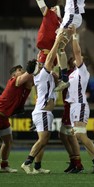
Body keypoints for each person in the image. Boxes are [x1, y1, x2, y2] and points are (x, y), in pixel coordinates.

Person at [21, 33, 66, 174]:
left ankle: (38, 166)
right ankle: (27, 162)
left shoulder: (42, 75)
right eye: (38, 63)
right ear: (36, 68)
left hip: (43, 111)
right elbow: (51, 55)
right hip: (43, 112)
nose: (41, 63)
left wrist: (56, 77)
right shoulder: (42, 74)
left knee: (44, 140)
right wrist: (57, 40)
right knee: (43, 140)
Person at [65, 26, 94, 173]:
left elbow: (76, 51)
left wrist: (74, 36)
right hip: (74, 105)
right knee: (80, 136)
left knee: (79, 134)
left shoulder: (82, 70)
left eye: (80, 58)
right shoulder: (73, 73)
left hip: (80, 105)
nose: (77, 58)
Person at [30, 0, 68, 92]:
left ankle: (43, 101)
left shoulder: (50, 16)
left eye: (54, 7)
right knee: (47, 79)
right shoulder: (61, 25)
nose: (51, 8)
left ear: (57, 12)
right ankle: (62, 78)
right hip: (52, 54)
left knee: (38, 78)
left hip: (46, 54)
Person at [59, 56, 84, 173]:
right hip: (67, 105)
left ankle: (78, 163)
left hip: (71, 105)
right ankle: (73, 160)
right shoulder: (68, 73)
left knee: (71, 134)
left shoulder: (75, 73)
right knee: (63, 135)